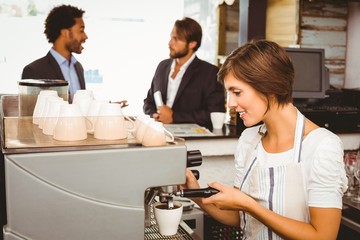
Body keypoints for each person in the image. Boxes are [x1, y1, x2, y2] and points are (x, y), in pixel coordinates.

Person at [183, 40, 348, 239]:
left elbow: (323, 236)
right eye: (228, 93)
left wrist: (249, 205)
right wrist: (197, 194)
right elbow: (238, 216)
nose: (231, 104)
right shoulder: (249, 139)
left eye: (236, 92)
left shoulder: (321, 146)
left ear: (269, 86)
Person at [143, 17, 225, 130]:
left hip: (192, 141)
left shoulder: (210, 73)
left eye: (176, 39)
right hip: (159, 134)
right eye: (171, 37)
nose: (170, 43)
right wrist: (155, 115)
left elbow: (214, 114)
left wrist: (174, 117)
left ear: (192, 44)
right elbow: (148, 102)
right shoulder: (162, 66)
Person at [21, 4, 88, 102]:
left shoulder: (78, 67)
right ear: (65, 33)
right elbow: (30, 114)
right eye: (81, 31)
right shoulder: (34, 71)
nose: (85, 36)